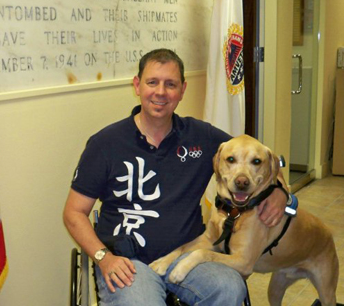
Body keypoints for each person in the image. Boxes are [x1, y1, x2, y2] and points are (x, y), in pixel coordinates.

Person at [63, 49, 287, 305]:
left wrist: (280, 191)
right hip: (126, 262)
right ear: (137, 86)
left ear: (182, 90)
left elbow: (258, 157)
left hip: (187, 254)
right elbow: (74, 213)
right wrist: (104, 258)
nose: (161, 92)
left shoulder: (202, 137)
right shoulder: (105, 144)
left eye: (171, 84)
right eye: (152, 82)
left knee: (229, 288)